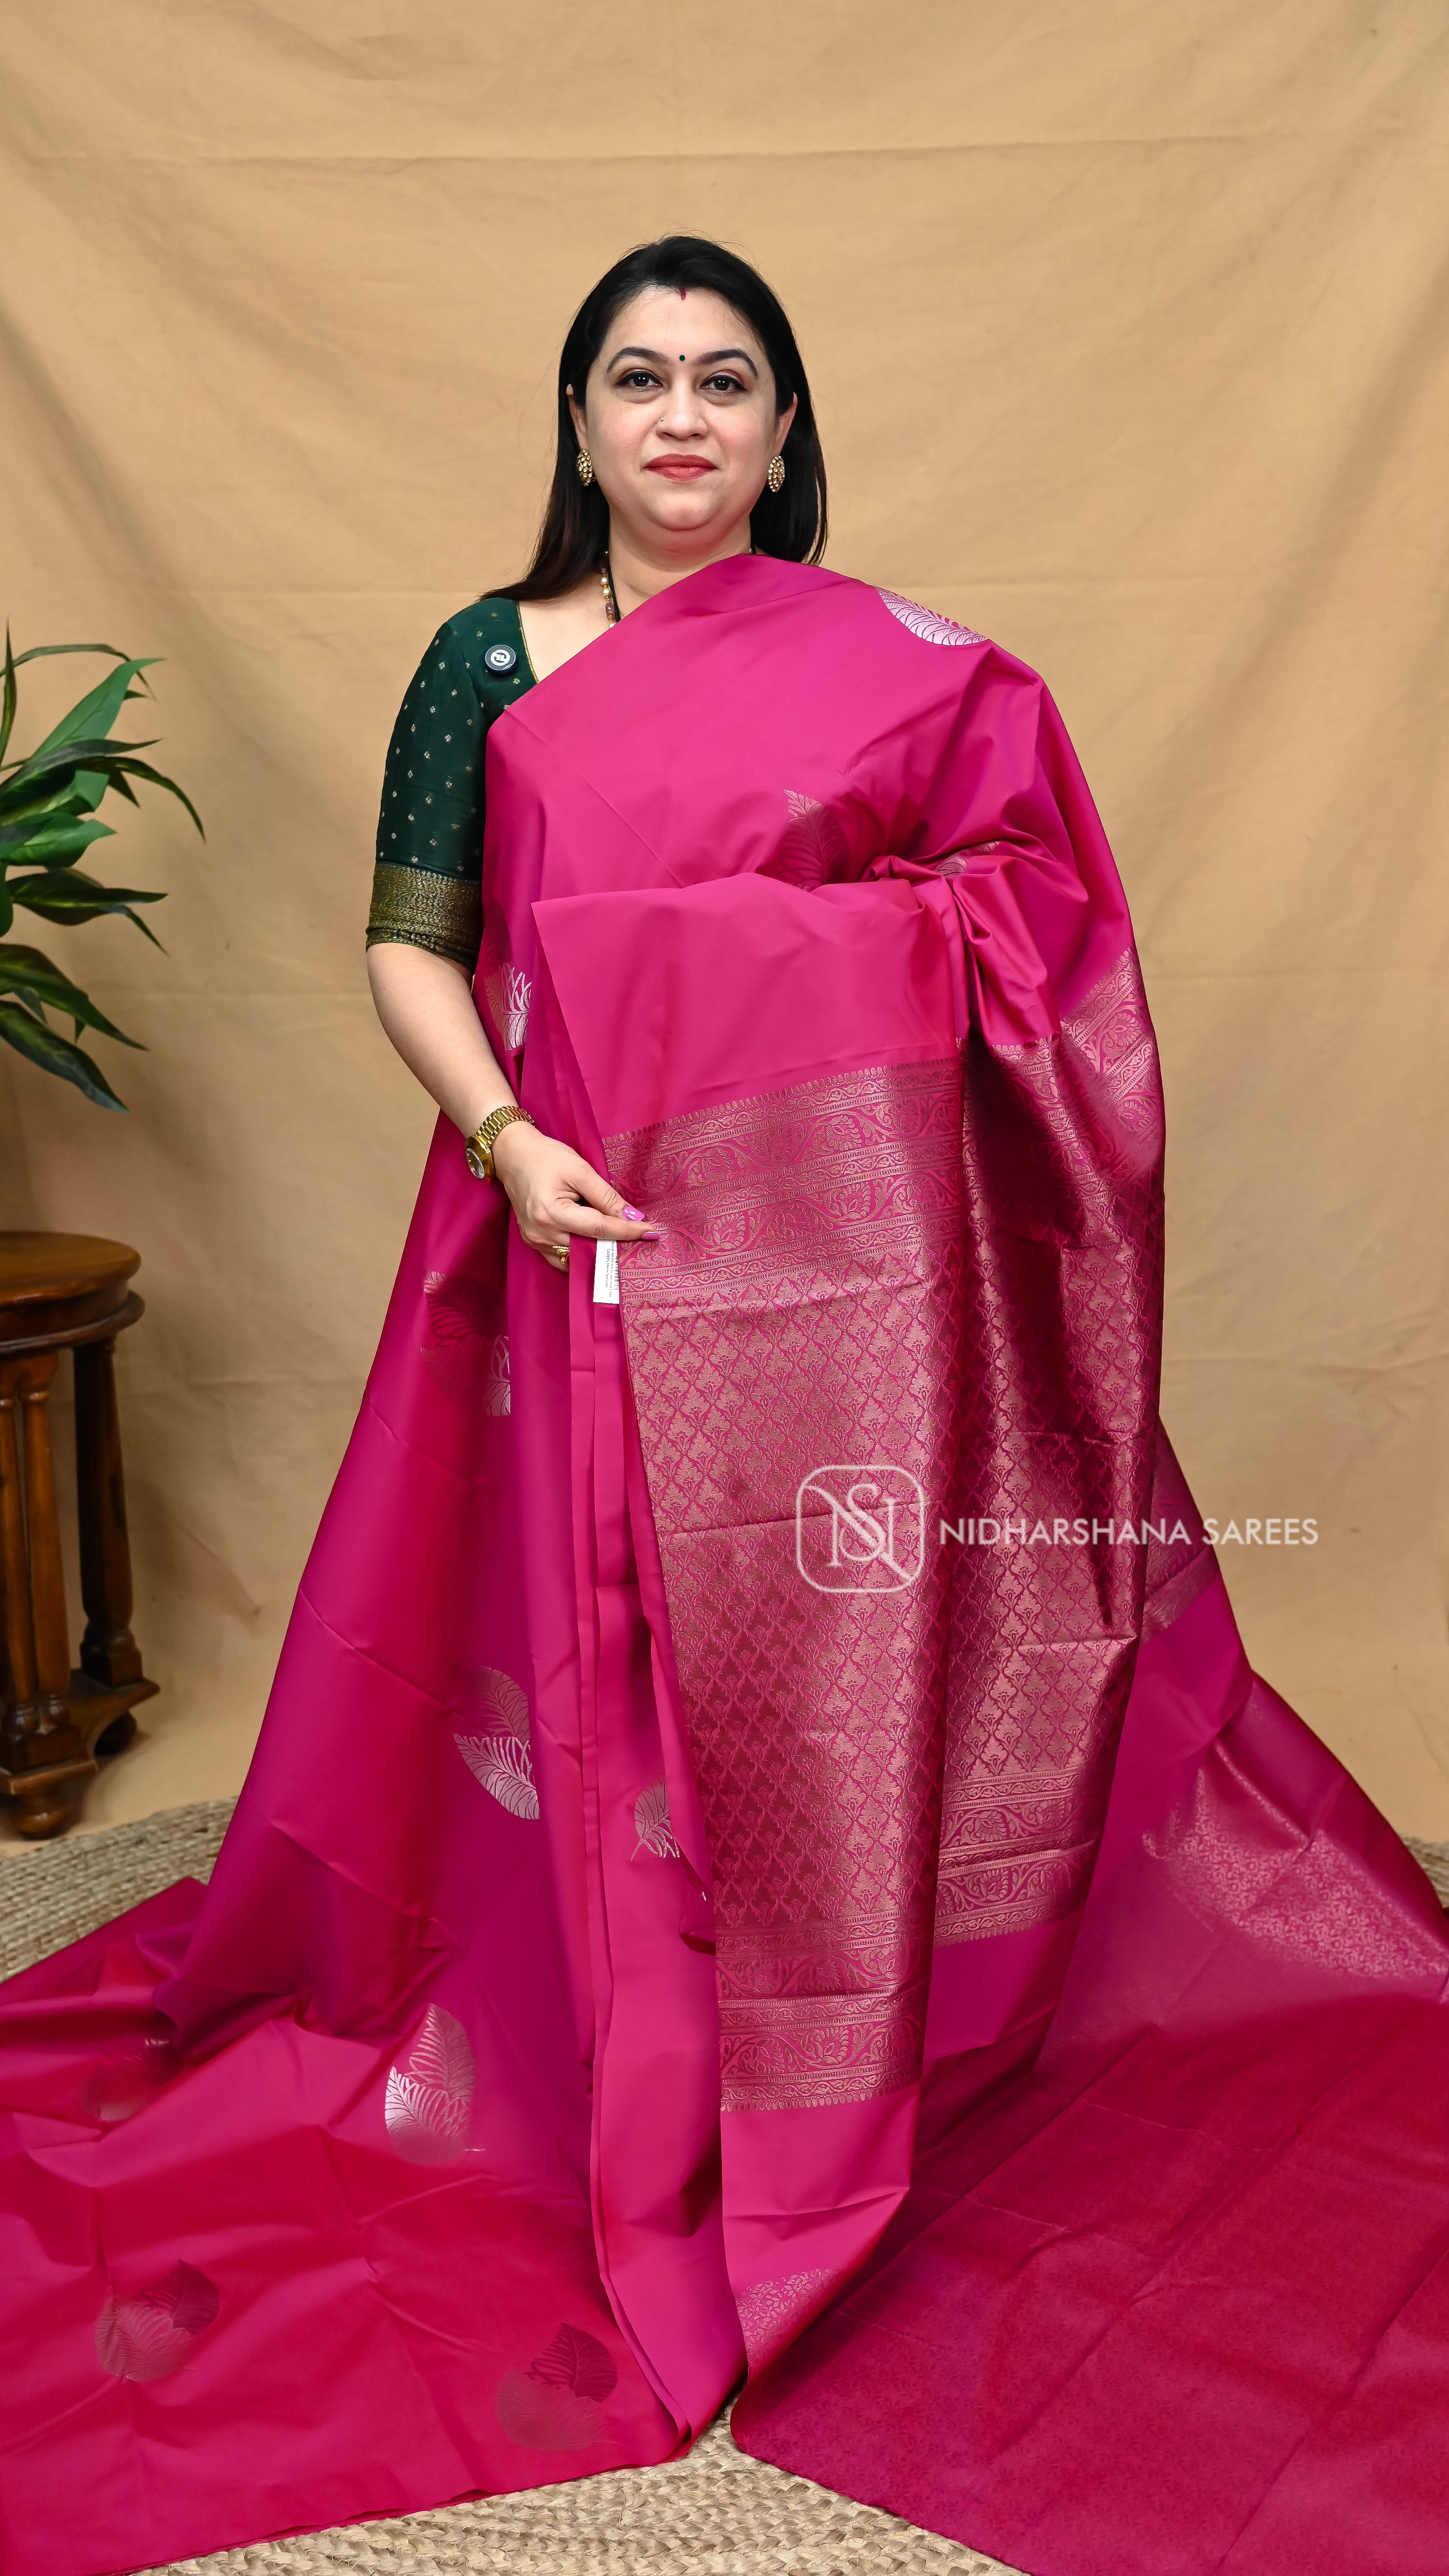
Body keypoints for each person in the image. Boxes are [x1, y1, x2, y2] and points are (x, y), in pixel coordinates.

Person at [4, 234, 1448, 2576]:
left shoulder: (901, 674)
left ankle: (826, 2058)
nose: (680, 417)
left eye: (726, 381)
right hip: (567, 1239)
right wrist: (508, 1131)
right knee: (593, 1674)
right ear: (577, 422)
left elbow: (1037, 932)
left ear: (783, 431)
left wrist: (791, 965)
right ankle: (626, 2060)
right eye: (637, 378)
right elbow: (412, 939)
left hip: (837, 1287)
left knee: (809, 1666)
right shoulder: (490, 662)